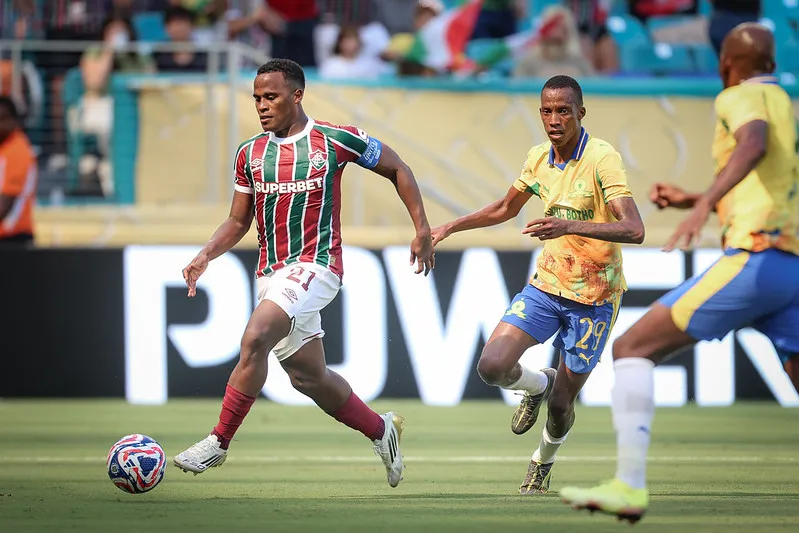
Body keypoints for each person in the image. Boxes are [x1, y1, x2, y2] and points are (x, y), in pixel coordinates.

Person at [560, 22, 799, 522]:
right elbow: (769, 179)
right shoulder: (783, 99)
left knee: (631, 348)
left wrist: (703, 202)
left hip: (756, 258)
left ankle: (628, 486)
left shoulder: (735, 96)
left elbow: (752, 145)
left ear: (726, 64)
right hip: (791, 265)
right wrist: (695, 199)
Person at [173, 59, 435, 488]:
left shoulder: (336, 139)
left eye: (270, 96)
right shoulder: (250, 153)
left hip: (317, 266)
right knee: (308, 378)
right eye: (256, 98)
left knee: (256, 336)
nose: (261, 105)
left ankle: (218, 442)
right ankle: (381, 429)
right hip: (271, 273)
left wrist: (422, 230)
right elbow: (239, 221)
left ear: (297, 95)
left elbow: (398, 169)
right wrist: (206, 255)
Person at [431, 75, 645, 495]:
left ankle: (542, 463)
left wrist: (566, 223)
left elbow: (634, 229)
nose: (554, 119)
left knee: (563, 408)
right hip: (547, 286)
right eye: (546, 110)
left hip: (595, 298)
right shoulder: (538, 157)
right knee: (492, 366)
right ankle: (538, 384)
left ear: (580, 113)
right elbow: (505, 208)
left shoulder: (602, 158)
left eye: (563, 110)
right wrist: (449, 227)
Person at [0, 96, 37, 247]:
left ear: (13, 120)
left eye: (2, 119)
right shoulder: (4, 148)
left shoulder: (17, 150)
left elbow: (5, 205)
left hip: (13, 238)